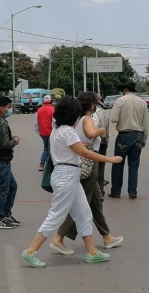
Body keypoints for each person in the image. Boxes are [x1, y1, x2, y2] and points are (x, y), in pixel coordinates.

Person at [21, 96, 123, 268]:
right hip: (66, 175)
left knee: (84, 213)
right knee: (56, 216)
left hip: (69, 174)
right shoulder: (67, 131)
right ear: (73, 114)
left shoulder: (58, 129)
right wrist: (110, 159)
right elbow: (85, 153)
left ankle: (92, 252)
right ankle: (31, 251)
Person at [49, 92, 123, 256]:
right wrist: (102, 131)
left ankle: (106, 236)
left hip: (83, 164)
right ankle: (59, 237)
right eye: (96, 102)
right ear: (91, 105)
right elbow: (90, 136)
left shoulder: (75, 122)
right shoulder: (87, 119)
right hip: (89, 163)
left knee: (96, 201)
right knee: (81, 206)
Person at [109, 81, 148, 199]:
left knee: (118, 164)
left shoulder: (120, 100)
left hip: (124, 135)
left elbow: (113, 118)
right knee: (134, 165)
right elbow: (145, 124)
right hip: (138, 136)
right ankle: (132, 192)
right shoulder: (143, 103)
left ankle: (116, 192)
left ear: (125, 89)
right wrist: (144, 139)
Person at [0, 96, 20, 229]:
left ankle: (6, 213)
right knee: (2, 190)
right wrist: (15, 141)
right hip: (1, 160)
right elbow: (4, 145)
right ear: (2, 108)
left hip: (2, 160)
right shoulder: (0, 123)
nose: (9, 109)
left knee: (12, 186)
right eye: (8, 107)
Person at [92, 94, 110, 195]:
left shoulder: (94, 114)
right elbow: (107, 130)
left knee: (94, 166)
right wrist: (106, 140)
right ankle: (100, 188)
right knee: (101, 166)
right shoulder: (105, 113)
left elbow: (94, 129)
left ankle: (95, 189)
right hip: (103, 141)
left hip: (95, 141)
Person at [35, 95, 55, 171]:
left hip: (43, 133)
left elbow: (36, 123)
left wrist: (39, 132)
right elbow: (54, 122)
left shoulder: (39, 110)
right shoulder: (53, 110)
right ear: (51, 101)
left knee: (46, 148)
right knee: (50, 149)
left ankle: (42, 164)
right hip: (51, 133)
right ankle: (47, 164)